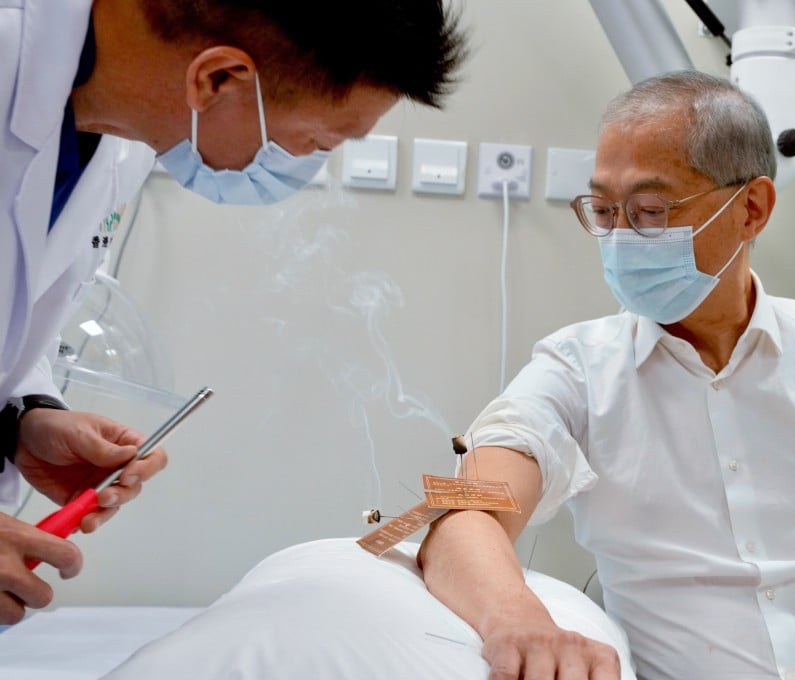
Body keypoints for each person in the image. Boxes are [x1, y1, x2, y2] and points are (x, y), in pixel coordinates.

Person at [417, 70, 795, 679]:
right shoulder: (577, 371)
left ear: (751, 209)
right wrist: (520, 619)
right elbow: (464, 514)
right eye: (602, 209)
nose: (620, 237)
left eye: (649, 210)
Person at [0, 0, 468, 624]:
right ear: (218, 79)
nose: (306, 162)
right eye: (315, 141)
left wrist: (22, 419)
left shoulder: (124, 136)